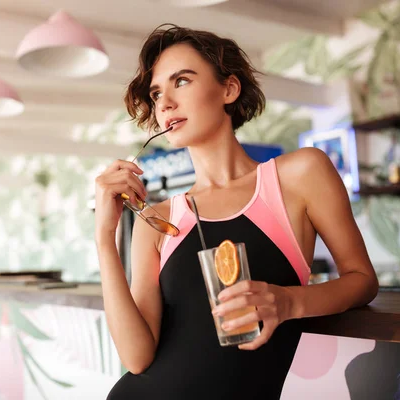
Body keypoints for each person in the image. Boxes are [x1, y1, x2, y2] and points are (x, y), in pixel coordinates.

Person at [94, 24, 379, 399]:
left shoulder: (300, 175)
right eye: (156, 92)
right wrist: (104, 236)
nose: (164, 103)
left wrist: (290, 301)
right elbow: (136, 358)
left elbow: (362, 280)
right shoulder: (159, 220)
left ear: (229, 89)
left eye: (181, 81)